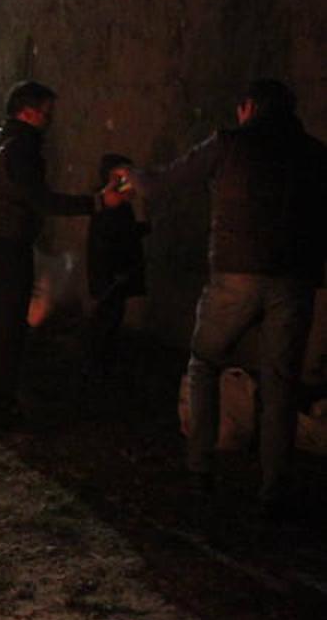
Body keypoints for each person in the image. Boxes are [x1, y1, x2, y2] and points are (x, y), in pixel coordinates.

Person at [136, 79, 327, 516]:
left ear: (248, 108)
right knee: (281, 383)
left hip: (236, 274)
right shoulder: (316, 155)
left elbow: (161, 183)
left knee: (204, 364)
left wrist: (132, 177)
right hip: (294, 280)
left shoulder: (229, 143)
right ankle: (274, 489)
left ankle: (200, 470)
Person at [0, 81, 125, 428]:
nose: (50, 120)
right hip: (7, 245)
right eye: (47, 113)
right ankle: (0, 407)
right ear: (28, 111)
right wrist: (97, 203)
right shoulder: (22, 149)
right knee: (9, 327)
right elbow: (42, 200)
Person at [84, 153, 149, 379]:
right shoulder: (112, 207)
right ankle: (99, 368)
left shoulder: (114, 206)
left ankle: (101, 366)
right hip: (111, 275)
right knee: (107, 319)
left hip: (110, 274)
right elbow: (113, 240)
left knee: (110, 318)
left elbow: (121, 235)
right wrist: (118, 272)